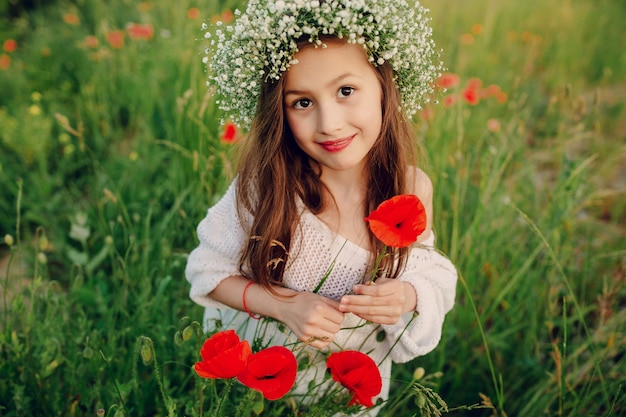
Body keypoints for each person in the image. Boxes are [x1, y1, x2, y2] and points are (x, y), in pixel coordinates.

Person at [186, 0, 457, 413]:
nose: (328, 123)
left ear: (386, 85)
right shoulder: (268, 185)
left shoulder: (408, 188)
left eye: (346, 91)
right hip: (260, 383)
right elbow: (207, 270)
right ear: (280, 110)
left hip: (344, 390)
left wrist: (405, 295)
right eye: (302, 102)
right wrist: (281, 305)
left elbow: (427, 272)